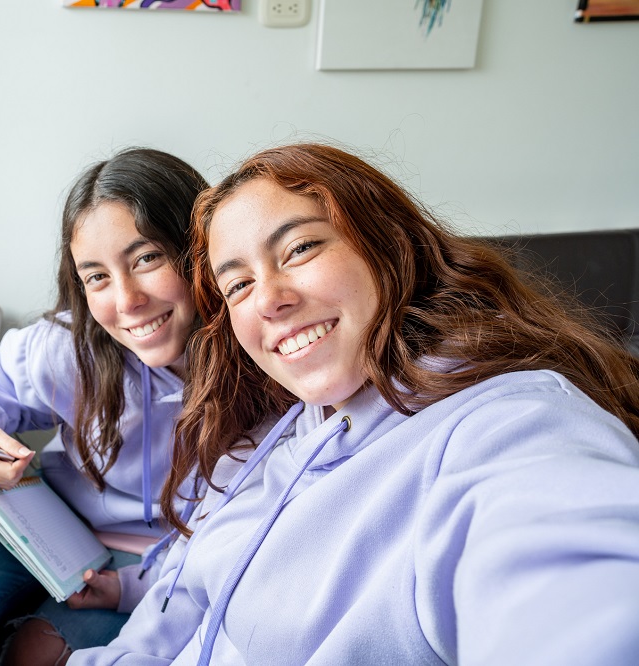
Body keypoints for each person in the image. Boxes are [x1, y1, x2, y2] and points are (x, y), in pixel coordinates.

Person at [70, 143, 639, 665]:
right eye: (237, 284)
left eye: (300, 248)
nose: (269, 298)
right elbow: (189, 595)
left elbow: (573, 584)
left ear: (386, 245)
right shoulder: (273, 430)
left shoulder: (507, 423)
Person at [0, 147, 208, 665]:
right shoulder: (69, 346)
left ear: (201, 248)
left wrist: (126, 589)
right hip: (50, 526)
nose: (126, 301)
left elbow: (234, 551)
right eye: (97, 276)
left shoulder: (263, 375)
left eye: (147, 258)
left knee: (32, 654)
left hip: (162, 567)